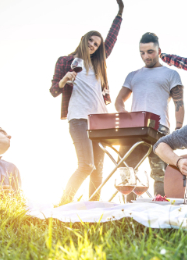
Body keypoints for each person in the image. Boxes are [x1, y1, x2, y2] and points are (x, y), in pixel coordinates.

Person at [51, 1, 123, 204]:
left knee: (97, 171)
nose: (93, 45)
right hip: (79, 119)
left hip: (100, 122)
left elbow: (111, 39)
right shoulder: (66, 61)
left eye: (96, 44)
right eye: (90, 41)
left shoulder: (98, 63)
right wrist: (65, 79)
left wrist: (120, 13)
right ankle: (63, 204)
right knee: (86, 165)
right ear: (84, 40)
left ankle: (93, 209)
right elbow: (53, 91)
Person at [115, 32, 184, 196]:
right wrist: (124, 113)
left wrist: (179, 128)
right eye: (142, 52)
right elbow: (119, 100)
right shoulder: (133, 75)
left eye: (150, 52)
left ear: (159, 51)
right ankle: (129, 211)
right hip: (135, 129)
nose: (146, 56)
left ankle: (159, 211)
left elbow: (179, 103)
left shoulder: (171, 74)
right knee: (125, 170)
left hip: (159, 130)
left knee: (160, 173)